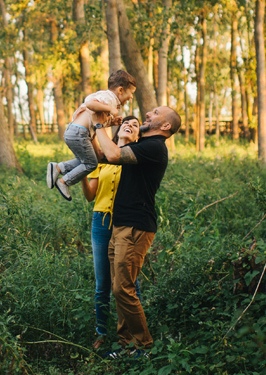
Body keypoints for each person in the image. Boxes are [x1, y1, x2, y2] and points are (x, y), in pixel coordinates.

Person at [92, 105, 181, 352]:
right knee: (120, 288)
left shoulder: (154, 147)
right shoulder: (141, 146)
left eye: (155, 112)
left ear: (165, 126)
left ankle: (143, 346)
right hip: (121, 225)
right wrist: (93, 129)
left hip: (135, 226)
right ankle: (125, 343)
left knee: (123, 287)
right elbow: (103, 155)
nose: (148, 113)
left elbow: (112, 155)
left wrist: (100, 125)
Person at [82, 115, 141, 349]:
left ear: (138, 137)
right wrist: (82, 176)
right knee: (102, 283)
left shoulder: (136, 158)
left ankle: (131, 334)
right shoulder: (104, 158)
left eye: (136, 125)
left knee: (128, 283)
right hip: (101, 221)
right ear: (117, 130)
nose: (129, 125)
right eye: (126, 122)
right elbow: (90, 196)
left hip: (125, 223)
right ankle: (101, 333)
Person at [45, 70, 137, 201]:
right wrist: (110, 109)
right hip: (80, 133)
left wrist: (110, 123)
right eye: (131, 93)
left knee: (87, 160)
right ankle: (64, 182)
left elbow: (95, 120)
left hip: (75, 131)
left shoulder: (107, 97)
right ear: (121, 90)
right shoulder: (110, 98)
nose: (131, 97)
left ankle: (59, 167)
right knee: (91, 164)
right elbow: (90, 104)